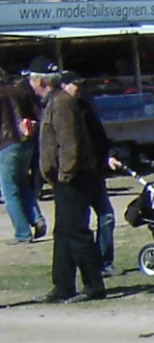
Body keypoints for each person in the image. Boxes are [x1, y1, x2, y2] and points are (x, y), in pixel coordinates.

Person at [30, 62, 105, 301]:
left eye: (31, 79)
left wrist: (66, 174)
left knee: (76, 232)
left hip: (74, 177)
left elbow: (69, 143)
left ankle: (94, 285)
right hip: (63, 177)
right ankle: (62, 285)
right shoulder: (53, 102)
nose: (30, 85)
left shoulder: (62, 103)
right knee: (62, 233)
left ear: (40, 81)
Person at [60, 73, 117, 272]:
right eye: (76, 84)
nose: (79, 88)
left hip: (93, 171)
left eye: (81, 84)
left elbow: (99, 136)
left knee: (107, 215)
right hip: (76, 173)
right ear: (64, 85)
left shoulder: (85, 107)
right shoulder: (60, 110)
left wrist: (108, 155)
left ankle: (104, 262)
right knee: (79, 223)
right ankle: (84, 265)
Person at [0, 82, 40, 243]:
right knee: (22, 183)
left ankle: (23, 232)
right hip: (26, 141)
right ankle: (36, 217)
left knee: (9, 189)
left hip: (6, 143)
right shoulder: (19, 90)